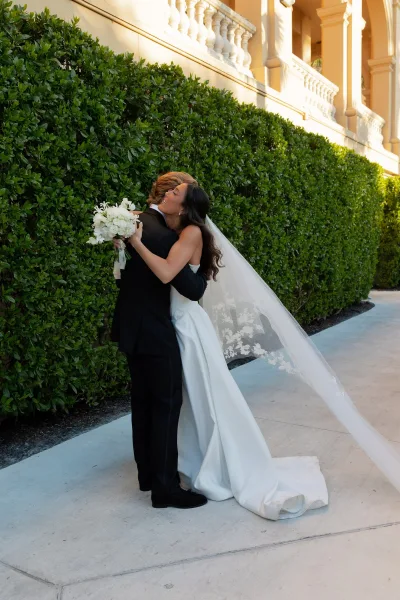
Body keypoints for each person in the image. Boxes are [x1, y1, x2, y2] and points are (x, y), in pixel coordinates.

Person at [128, 180, 400, 520]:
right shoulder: (175, 230)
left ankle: (206, 465)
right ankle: (181, 463)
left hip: (185, 326)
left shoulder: (191, 234)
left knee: (203, 398)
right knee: (191, 399)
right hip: (175, 323)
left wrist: (136, 242)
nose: (166, 194)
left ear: (184, 208)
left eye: (174, 193)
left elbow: (169, 273)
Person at [111, 172, 209, 510]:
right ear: (170, 195)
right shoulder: (159, 233)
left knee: (142, 402)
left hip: (131, 326)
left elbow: (122, 277)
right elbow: (192, 289)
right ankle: (165, 489)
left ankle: (148, 476)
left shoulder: (135, 221)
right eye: (183, 189)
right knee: (166, 405)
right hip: (156, 330)